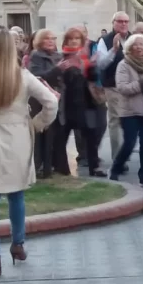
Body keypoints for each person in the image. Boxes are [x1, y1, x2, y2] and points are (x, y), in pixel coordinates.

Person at [0, 26, 58, 277]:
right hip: (17, 138)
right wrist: (37, 124)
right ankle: (18, 244)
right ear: (11, 49)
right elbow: (51, 101)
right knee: (16, 194)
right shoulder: (23, 76)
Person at [55, 27, 107, 177]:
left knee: (91, 136)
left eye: (77, 39)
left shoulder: (85, 58)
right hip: (66, 104)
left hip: (86, 103)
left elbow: (92, 79)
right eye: (71, 39)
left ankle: (94, 167)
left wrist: (91, 66)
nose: (73, 41)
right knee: (61, 138)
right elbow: (62, 79)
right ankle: (62, 169)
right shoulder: (61, 58)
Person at [110, 34, 143, 186]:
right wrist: (141, 83)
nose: (139, 47)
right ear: (129, 48)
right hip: (129, 111)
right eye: (136, 44)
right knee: (129, 143)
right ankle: (116, 168)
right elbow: (122, 87)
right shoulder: (123, 64)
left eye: (142, 44)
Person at [28, 29, 65, 178]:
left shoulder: (58, 56)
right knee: (41, 136)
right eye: (47, 39)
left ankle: (51, 168)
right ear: (39, 41)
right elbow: (37, 77)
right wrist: (58, 70)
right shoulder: (35, 56)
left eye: (53, 38)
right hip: (40, 102)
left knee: (53, 137)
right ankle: (39, 168)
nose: (51, 41)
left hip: (57, 99)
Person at [97, 11, 131, 164]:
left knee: (132, 120)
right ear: (113, 23)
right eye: (120, 21)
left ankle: (125, 153)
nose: (123, 24)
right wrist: (114, 50)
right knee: (116, 120)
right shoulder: (105, 40)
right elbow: (101, 64)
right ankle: (118, 158)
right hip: (113, 86)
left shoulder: (133, 38)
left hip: (133, 87)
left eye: (126, 21)